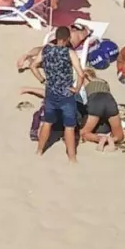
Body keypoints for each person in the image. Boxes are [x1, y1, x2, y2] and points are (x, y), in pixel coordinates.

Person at [29, 26, 85, 162]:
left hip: (51, 92)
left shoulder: (46, 50)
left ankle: (39, 150)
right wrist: (77, 89)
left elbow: (33, 66)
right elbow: (81, 74)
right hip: (66, 94)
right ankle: (72, 157)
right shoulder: (69, 53)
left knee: (47, 122)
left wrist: (42, 80)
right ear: (67, 39)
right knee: (69, 127)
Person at [79, 69, 124, 150]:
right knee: (119, 135)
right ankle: (112, 139)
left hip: (96, 101)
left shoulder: (86, 83)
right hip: (110, 101)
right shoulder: (104, 82)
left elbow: (84, 103)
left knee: (84, 133)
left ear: (86, 76)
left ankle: (100, 139)